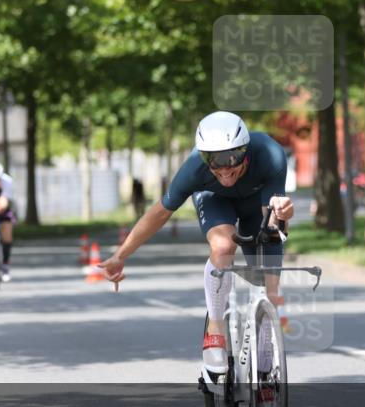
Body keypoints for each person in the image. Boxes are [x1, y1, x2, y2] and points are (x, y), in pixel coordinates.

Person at [99, 111, 294, 375]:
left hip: (255, 207)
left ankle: (267, 336)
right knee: (223, 246)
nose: (224, 168)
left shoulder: (270, 154)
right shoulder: (194, 167)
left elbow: (273, 225)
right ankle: (215, 328)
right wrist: (121, 255)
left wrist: (283, 217)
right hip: (215, 201)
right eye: (212, 159)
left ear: (245, 151)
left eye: (231, 158)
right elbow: (160, 213)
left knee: (269, 276)